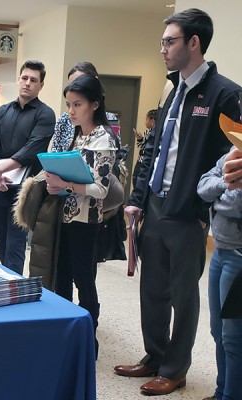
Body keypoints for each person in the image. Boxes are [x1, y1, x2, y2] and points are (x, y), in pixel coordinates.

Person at [114, 8, 242, 396]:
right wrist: (137, 198)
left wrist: (205, 208)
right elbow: (153, 148)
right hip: (155, 205)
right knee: (152, 290)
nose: (163, 49)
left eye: (169, 41)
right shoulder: (173, 90)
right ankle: (154, 356)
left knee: (183, 294)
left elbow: (231, 161)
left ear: (194, 43)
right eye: (162, 42)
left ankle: (175, 368)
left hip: (189, 212)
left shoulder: (225, 94)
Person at [45, 75, 117, 358]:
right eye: (68, 105)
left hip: (87, 222)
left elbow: (100, 189)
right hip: (65, 216)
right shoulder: (77, 134)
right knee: (60, 277)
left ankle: (89, 340)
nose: (71, 111)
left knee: (84, 281)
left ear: (94, 104)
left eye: (77, 104)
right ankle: (65, 334)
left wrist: (65, 185)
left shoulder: (104, 138)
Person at [0, 60, 55, 275]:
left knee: (15, 246)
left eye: (33, 80)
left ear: (41, 85)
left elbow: (31, 149)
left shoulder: (45, 114)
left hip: (26, 190)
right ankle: (5, 284)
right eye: (24, 78)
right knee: (2, 245)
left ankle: (13, 291)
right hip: (1, 185)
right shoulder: (3, 111)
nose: (27, 83)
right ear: (18, 80)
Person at [197, 146, 242, 400]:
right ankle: (221, 391)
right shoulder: (232, 153)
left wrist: (221, 195)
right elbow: (203, 187)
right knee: (217, 330)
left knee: (234, 337)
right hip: (220, 253)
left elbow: (234, 207)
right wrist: (226, 181)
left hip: (239, 257)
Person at [132, 109, 157, 188]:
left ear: (152, 120)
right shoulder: (148, 132)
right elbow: (141, 146)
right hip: (141, 161)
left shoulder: (154, 133)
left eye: (146, 119)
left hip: (145, 163)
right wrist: (139, 138)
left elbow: (147, 148)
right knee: (136, 181)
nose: (145, 121)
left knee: (139, 183)